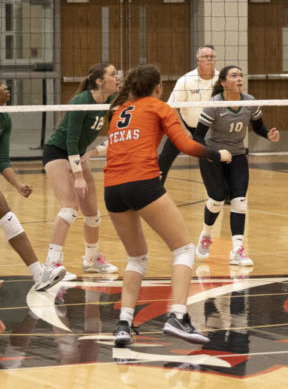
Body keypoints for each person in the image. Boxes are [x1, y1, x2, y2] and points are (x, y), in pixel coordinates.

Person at [102, 64, 231, 347]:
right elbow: (185, 144)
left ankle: (123, 324)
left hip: (112, 189)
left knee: (137, 258)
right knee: (184, 250)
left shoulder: (119, 112)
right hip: (142, 183)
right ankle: (178, 315)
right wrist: (216, 154)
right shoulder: (159, 107)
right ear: (157, 87)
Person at [39, 62, 120, 287]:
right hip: (58, 152)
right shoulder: (80, 101)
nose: (118, 77)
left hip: (79, 154)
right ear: (99, 81)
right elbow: (70, 140)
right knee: (70, 206)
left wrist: (95, 151)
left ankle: (92, 259)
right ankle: (51, 265)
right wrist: (79, 174)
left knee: (92, 212)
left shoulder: (111, 103)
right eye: (113, 74)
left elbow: (117, 136)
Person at [193, 65, 279, 266]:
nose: (239, 78)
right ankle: (206, 234)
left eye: (241, 75)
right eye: (234, 76)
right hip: (213, 155)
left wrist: (268, 134)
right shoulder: (214, 105)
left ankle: (237, 250)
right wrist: (213, 155)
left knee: (240, 200)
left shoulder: (249, 102)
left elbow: (258, 126)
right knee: (216, 200)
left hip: (238, 154)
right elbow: (197, 136)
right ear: (223, 83)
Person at [0, 83, 67, 292]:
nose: (6, 86)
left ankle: (39, 274)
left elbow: (2, 159)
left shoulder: (5, 118)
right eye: (0, 84)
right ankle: (39, 273)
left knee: (5, 214)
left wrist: (18, 185)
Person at [158, 45, 218, 184]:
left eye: (212, 57)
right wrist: (183, 130)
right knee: (165, 158)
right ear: (198, 60)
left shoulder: (221, 79)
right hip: (185, 127)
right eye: (206, 57)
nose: (209, 59)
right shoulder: (186, 80)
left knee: (213, 160)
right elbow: (172, 107)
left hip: (210, 130)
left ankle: (222, 196)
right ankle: (155, 190)